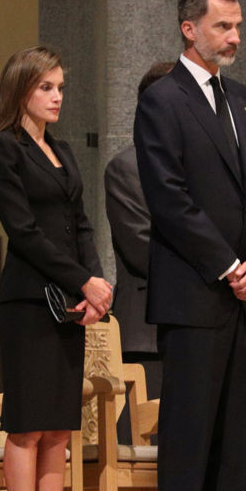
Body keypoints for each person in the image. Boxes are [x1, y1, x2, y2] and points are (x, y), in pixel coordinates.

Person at [134, 0, 246, 491]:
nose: (235, 37)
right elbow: (169, 198)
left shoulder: (245, 101)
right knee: (191, 433)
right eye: (223, 26)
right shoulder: (162, 100)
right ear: (189, 28)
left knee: (237, 434)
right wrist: (228, 265)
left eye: (238, 26)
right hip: (197, 292)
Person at [0, 46, 113, 491]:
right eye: (46, 87)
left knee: (58, 429)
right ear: (21, 91)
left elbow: (81, 223)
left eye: (60, 87)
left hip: (70, 302)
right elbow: (24, 231)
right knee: (28, 424)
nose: (58, 97)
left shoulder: (62, 151)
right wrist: (81, 280)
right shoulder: (0, 148)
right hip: (29, 301)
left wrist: (96, 283)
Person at [104, 61, 175, 400]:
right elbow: (142, 249)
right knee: (146, 431)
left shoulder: (204, 166)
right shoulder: (127, 167)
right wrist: (217, 268)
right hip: (149, 334)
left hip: (202, 330)